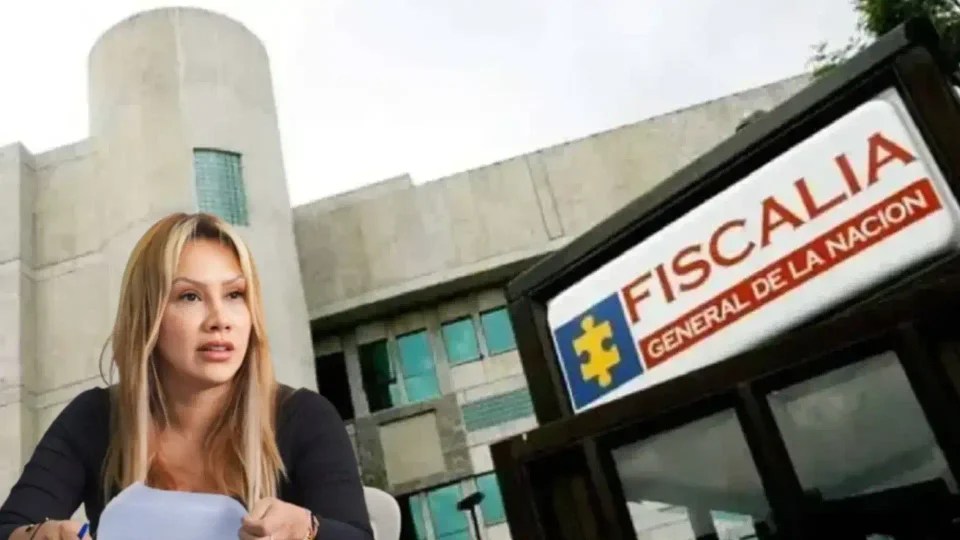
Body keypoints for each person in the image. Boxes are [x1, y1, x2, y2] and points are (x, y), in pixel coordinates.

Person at [0, 213, 373, 540]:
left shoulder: (305, 417)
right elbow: (10, 527)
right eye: (190, 297)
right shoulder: (96, 417)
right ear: (148, 315)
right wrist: (39, 536)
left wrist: (308, 529)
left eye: (234, 294)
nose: (220, 320)